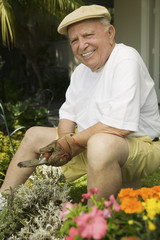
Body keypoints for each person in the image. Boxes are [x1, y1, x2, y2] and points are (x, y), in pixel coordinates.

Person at [1, 5, 160, 206]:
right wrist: (66, 138)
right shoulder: (81, 72)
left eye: (88, 35)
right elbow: (68, 113)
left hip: (142, 144)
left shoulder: (125, 58)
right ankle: (3, 201)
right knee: (34, 135)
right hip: (93, 143)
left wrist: (71, 144)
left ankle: (95, 225)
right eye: (74, 40)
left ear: (110, 33)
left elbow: (119, 126)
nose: (82, 45)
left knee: (101, 143)